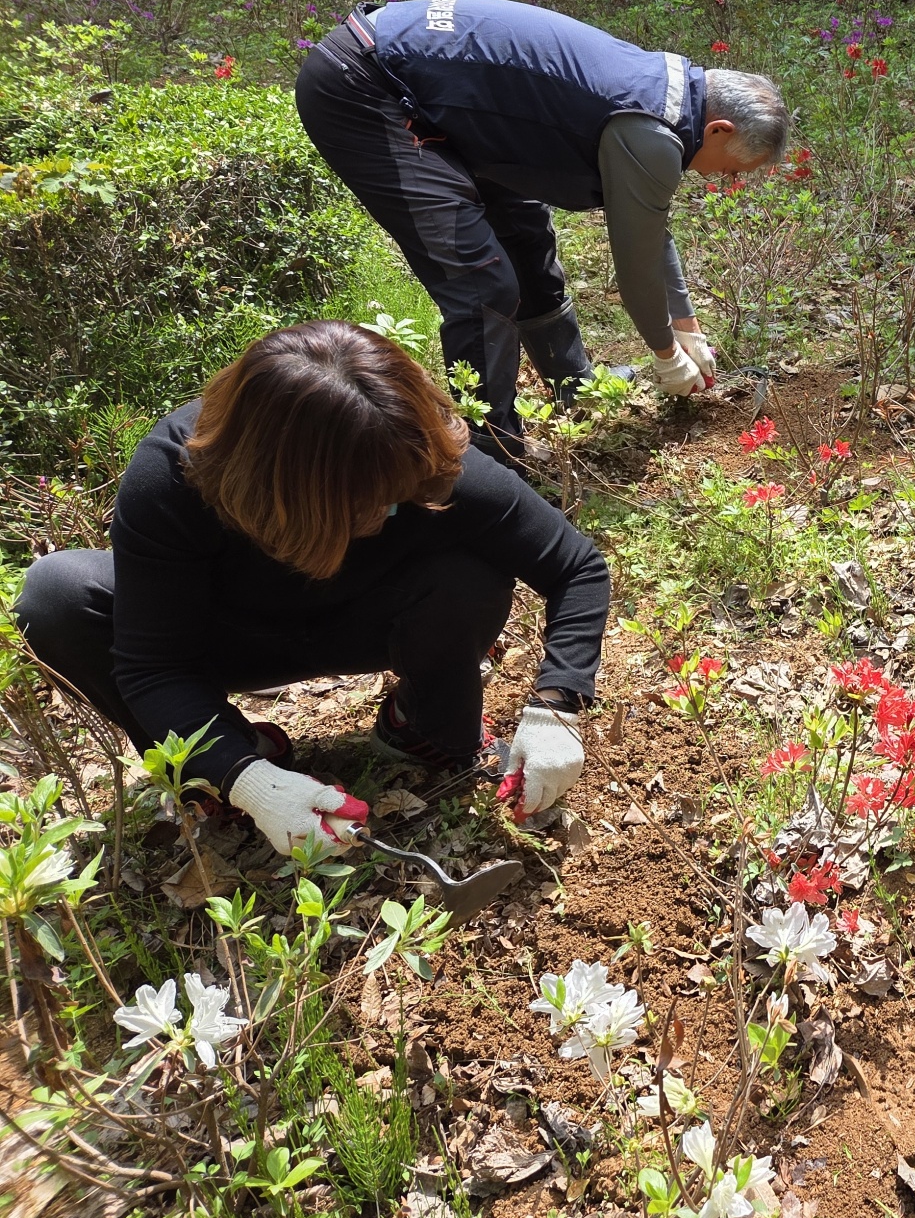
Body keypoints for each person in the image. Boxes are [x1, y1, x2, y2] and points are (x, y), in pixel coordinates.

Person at [12, 321, 611, 856]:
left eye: (396, 494)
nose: (387, 511)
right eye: (368, 501)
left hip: (364, 621)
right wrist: (243, 777)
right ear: (284, 493)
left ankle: (423, 726)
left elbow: (574, 567)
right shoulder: (174, 479)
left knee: (470, 568)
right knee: (55, 594)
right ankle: (232, 760)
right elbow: (153, 665)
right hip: (225, 637)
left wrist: (556, 704)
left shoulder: (411, 454)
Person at [295, 0, 790, 460]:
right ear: (718, 130)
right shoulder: (650, 130)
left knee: (524, 235)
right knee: (480, 281)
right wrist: (666, 354)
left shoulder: (671, 95)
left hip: (436, 90)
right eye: (730, 169)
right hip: (364, 85)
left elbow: (650, 227)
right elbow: (636, 266)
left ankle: (571, 388)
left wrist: (689, 329)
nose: (720, 179)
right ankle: (496, 451)